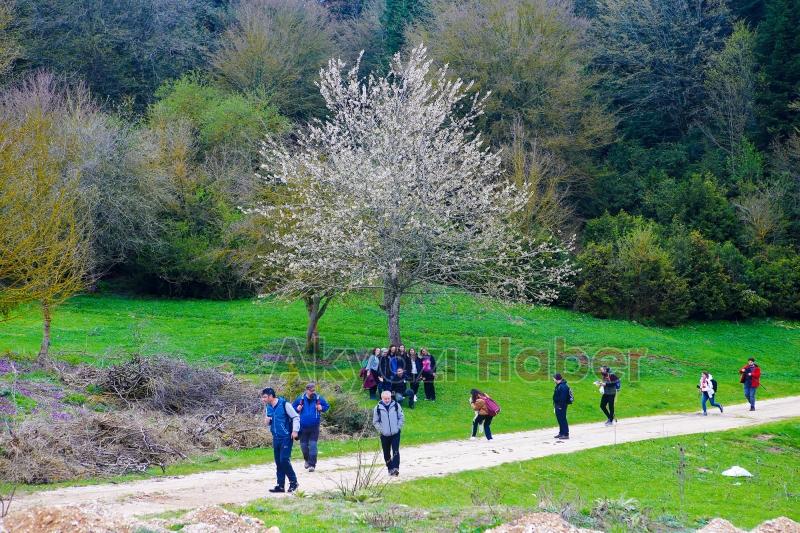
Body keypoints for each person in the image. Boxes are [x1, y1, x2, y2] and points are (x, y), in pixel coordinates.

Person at [261, 387, 300, 493]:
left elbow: (295, 417)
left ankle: (294, 482)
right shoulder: (268, 407)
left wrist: (295, 431)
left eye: (265, 397)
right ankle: (280, 486)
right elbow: (268, 422)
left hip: (286, 437)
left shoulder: (284, 404)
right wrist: (267, 421)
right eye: (262, 397)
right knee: (278, 461)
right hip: (276, 437)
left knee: (284, 460)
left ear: (271, 396)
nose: (263, 399)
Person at [292, 382, 330, 472]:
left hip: (314, 427)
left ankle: (312, 465)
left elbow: (326, 406)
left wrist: (321, 408)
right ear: (307, 390)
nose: (313, 392)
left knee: (313, 446)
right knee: (304, 446)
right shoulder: (300, 399)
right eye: (311, 391)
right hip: (302, 427)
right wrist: (297, 409)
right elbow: (292, 409)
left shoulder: (318, 398)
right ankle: (307, 460)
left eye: (314, 390)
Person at [373, 390, 404, 476]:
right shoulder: (377, 408)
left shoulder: (396, 405)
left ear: (391, 397)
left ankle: (396, 468)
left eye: (388, 398)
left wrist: (398, 427)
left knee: (395, 451)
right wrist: (381, 430)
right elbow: (375, 422)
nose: (387, 400)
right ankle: (390, 468)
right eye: (385, 399)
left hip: (395, 433)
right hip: (384, 435)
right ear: (382, 398)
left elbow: (401, 417)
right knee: (386, 452)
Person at [552, 373, 571, 440]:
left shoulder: (563, 386)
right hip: (558, 405)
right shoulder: (559, 385)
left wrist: (560, 406)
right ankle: (561, 433)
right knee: (560, 419)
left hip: (561, 405)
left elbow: (563, 398)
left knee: (562, 419)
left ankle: (566, 434)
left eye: (554, 378)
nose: (553, 379)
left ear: (557, 379)